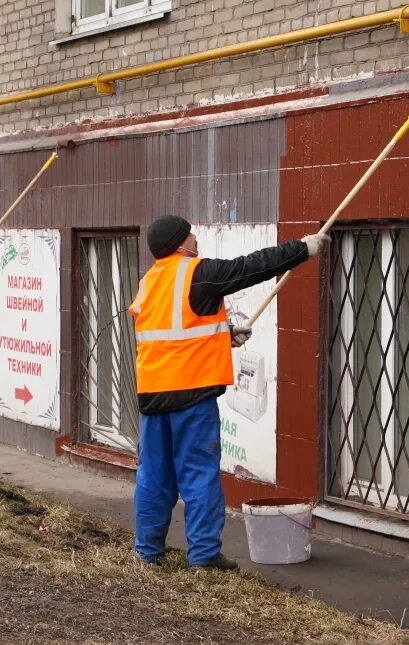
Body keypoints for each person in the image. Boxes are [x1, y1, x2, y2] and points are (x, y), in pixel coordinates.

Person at [128, 215, 328, 570]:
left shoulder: (149, 282)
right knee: (199, 474)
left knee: (154, 476)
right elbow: (251, 268)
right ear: (180, 244)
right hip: (191, 396)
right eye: (191, 236)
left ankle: (147, 552)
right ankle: (203, 556)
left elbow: (172, 337)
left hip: (152, 396)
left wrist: (222, 337)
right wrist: (302, 249)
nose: (196, 241)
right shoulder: (197, 272)